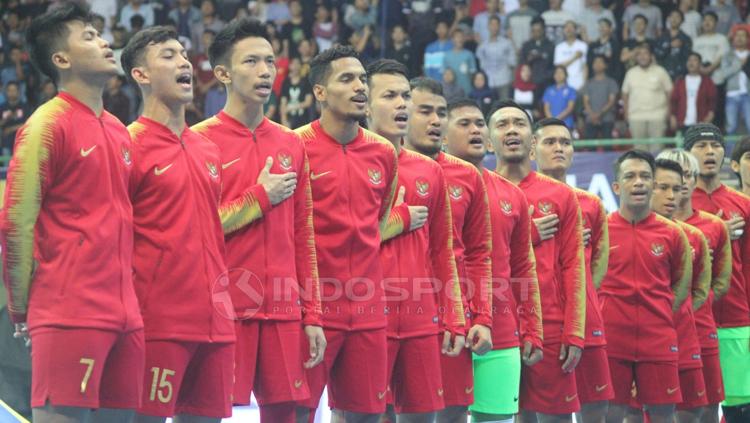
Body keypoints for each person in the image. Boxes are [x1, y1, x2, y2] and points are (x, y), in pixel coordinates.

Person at [1, 3, 144, 423]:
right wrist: (22, 308)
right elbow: (16, 222)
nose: (104, 42)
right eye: (88, 36)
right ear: (61, 60)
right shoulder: (47, 124)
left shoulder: (119, 129)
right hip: (68, 310)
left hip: (126, 315)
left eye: (100, 33)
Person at [190, 19, 326, 422]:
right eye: (251, 61)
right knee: (201, 414)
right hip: (222, 308)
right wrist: (259, 198)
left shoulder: (291, 143)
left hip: (284, 312)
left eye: (270, 61)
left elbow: (304, 235)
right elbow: (195, 230)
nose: (266, 70)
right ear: (222, 74)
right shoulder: (198, 142)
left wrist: (312, 315)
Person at [120, 26, 233, 423]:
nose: (184, 62)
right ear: (141, 75)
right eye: (168, 55)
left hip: (217, 324)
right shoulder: (127, 145)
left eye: (184, 54)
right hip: (157, 324)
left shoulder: (209, 149)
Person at [294, 45, 399, 423]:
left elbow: (379, 223)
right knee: (295, 413)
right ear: (320, 92)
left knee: (365, 416)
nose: (360, 87)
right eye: (347, 79)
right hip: (312, 309)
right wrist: (308, 311)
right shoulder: (294, 146)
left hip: (369, 310)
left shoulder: (384, 152)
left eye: (363, 79)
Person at [366, 59, 466, 423]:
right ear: (365, 103)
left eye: (405, 96)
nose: (401, 105)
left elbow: (443, 251)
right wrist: (398, 221)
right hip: (363, 315)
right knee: (359, 415)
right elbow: (337, 243)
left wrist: (454, 317)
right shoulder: (349, 161)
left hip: (420, 318)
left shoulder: (429, 171)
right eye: (389, 96)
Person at [443, 98, 543, 423]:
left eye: (478, 124)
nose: (474, 130)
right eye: (464, 123)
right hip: (445, 330)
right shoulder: (431, 183)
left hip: (500, 331)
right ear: (443, 136)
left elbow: (523, 270)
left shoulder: (513, 195)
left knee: (496, 420)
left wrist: (531, 329)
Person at [491, 100, 587, 423]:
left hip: (551, 325)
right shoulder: (479, 189)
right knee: (501, 416)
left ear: (532, 142)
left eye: (519, 123)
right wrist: (526, 234)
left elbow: (575, 266)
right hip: (495, 324)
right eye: (502, 125)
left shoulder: (561, 195)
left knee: (555, 419)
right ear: (490, 141)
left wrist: (574, 331)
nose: (512, 130)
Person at [406, 78, 494, 423]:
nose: (435, 120)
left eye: (441, 113)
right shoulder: (382, 163)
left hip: (449, 316)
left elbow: (478, 253)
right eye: (424, 111)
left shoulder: (467, 175)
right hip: (389, 311)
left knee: (454, 411)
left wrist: (482, 317)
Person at [531, 117, 614, 423]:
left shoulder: (592, 204)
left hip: (584, 318)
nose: (559, 148)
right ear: (532, 149)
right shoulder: (517, 197)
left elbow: (598, 266)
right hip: (538, 319)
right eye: (550, 142)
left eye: (565, 143)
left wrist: (575, 301)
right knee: (540, 411)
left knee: (596, 408)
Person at [600, 150, 692, 423]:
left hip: (658, 339)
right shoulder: (600, 229)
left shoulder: (674, 234)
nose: (638, 182)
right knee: (611, 414)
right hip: (611, 340)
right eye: (630, 176)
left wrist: (657, 312)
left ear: (653, 184)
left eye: (645, 177)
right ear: (616, 186)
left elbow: (680, 287)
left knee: (663, 416)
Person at [659, 148, 732, 423]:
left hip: (700, 328)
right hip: (658, 331)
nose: (682, 182)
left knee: (707, 407)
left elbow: (721, 284)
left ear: (694, 178)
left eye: (687, 175)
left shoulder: (714, 227)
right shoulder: (646, 225)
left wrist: (691, 305)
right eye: (673, 177)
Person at [685, 124, 750, 423]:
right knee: (693, 409)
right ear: (688, 153)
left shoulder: (743, 205)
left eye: (715, 146)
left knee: (739, 408)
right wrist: (712, 234)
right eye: (701, 146)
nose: (709, 152)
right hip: (689, 320)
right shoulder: (677, 207)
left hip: (736, 319)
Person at [648, 158, 711, 423]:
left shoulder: (693, 236)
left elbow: (702, 290)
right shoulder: (613, 229)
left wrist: (670, 311)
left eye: (677, 189)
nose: (671, 196)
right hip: (639, 342)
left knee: (690, 413)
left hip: (684, 336)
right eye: (663, 188)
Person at [622, 43, 673, 152]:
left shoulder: (661, 71)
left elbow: (669, 92)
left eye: (645, 53)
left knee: (657, 150)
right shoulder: (630, 73)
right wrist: (626, 112)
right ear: (636, 57)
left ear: (651, 56)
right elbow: (625, 94)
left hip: (657, 116)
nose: (642, 56)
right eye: (639, 54)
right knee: (639, 151)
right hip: (636, 116)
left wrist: (669, 111)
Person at [714, 29, 750, 135]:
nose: (739, 38)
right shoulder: (728, 55)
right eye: (737, 35)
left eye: (743, 36)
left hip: (748, 94)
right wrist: (739, 64)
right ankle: (730, 151)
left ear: (748, 39)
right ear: (733, 39)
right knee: (731, 127)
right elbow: (724, 73)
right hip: (731, 95)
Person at [670, 52, 717, 132]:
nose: (691, 63)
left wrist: (708, 119)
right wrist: (672, 117)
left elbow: (712, 102)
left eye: (694, 60)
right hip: (682, 123)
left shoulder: (707, 82)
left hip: (701, 124)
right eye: (689, 60)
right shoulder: (680, 81)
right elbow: (674, 101)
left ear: (700, 64)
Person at [476, 15, 516, 100]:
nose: (494, 27)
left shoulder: (507, 43)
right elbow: (481, 65)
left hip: (504, 81)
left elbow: (513, 63)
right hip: (488, 82)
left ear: (499, 26)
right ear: (488, 26)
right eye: (492, 24)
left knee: (504, 108)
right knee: (489, 109)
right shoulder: (482, 46)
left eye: (496, 24)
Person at [581, 55, 618, 139]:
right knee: (590, 149)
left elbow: (611, 101)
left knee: (607, 148)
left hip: (607, 119)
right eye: (595, 62)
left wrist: (599, 114)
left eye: (600, 62)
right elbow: (586, 102)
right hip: (590, 119)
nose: (597, 64)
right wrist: (592, 115)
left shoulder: (611, 82)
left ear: (605, 65)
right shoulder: (588, 83)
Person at [521, 17, 555, 100]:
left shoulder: (550, 46)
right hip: (530, 84)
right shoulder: (526, 46)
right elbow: (522, 64)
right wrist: (529, 59)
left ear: (543, 30)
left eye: (538, 30)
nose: (536, 33)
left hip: (547, 83)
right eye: (533, 31)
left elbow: (554, 64)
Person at [654, 9, 692, 80]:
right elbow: (657, 55)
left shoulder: (686, 38)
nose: (674, 19)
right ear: (668, 18)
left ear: (682, 20)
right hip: (662, 74)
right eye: (672, 16)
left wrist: (682, 73)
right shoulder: (662, 37)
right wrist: (669, 45)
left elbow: (687, 58)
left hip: (679, 75)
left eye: (677, 17)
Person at [280, 57, 314, 129]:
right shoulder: (286, 82)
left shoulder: (306, 82)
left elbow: (308, 102)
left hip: (303, 120)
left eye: (297, 63)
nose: (295, 66)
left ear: (300, 66)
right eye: (293, 64)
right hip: (289, 120)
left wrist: (291, 107)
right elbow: (283, 103)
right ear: (290, 66)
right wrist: (284, 121)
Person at [693, 12, 730, 77]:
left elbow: (722, 57)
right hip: (699, 73)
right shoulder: (696, 40)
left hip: (717, 75)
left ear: (716, 23)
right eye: (705, 20)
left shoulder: (722, 39)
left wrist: (709, 69)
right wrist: (701, 69)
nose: (707, 22)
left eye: (710, 20)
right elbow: (694, 57)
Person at [554, 21, 588, 91]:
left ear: (576, 30)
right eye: (566, 27)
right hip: (563, 82)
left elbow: (585, 66)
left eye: (571, 27)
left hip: (579, 81)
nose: (568, 29)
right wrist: (575, 57)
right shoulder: (559, 47)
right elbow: (559, 67)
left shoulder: (583, 45)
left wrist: (584, 84)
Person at [443, 28, 477, 97]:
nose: (460, 39)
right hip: (451, 93)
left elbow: (473, 74)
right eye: (457, 37)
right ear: (452, 39)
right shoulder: (446, 55)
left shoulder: (469, 54)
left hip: (467, 90)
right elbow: (444, 75)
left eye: (462, 37)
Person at [0, 81, 29, 154]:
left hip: (22, 141)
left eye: (14, 90)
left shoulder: (24, 106)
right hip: (6, 141)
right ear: (6, 92)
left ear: (18, 92)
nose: (11, 93)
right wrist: (5, 120)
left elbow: (28, 124)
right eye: (9, 90)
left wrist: (11, 129)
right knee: (7, 163)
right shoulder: (2, 107)